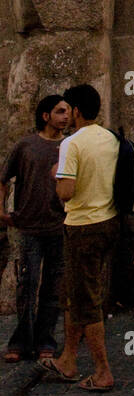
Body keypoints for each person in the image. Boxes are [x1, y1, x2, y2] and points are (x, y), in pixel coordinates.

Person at [39, 85, 120, 391]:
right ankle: (68, 359)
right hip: (108, 221)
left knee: (86, 301)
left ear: (75, 110)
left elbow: (66, 191)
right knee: (74, 294)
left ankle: (102, 371)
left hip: (82, 225)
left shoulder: (71, 144)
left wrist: (56, 176)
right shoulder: (109, 137)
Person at [0, 95, 70, 363]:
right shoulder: (26, 146)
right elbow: (3, 178)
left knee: (53, 287)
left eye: (66, 111)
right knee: (27, 285)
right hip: (28, 226)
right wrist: (2, 212)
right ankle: (20, 341)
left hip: (58, 226)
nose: (65, 116)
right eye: (59, 111)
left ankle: (46, 341)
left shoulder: (69, 146)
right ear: (45, 116)